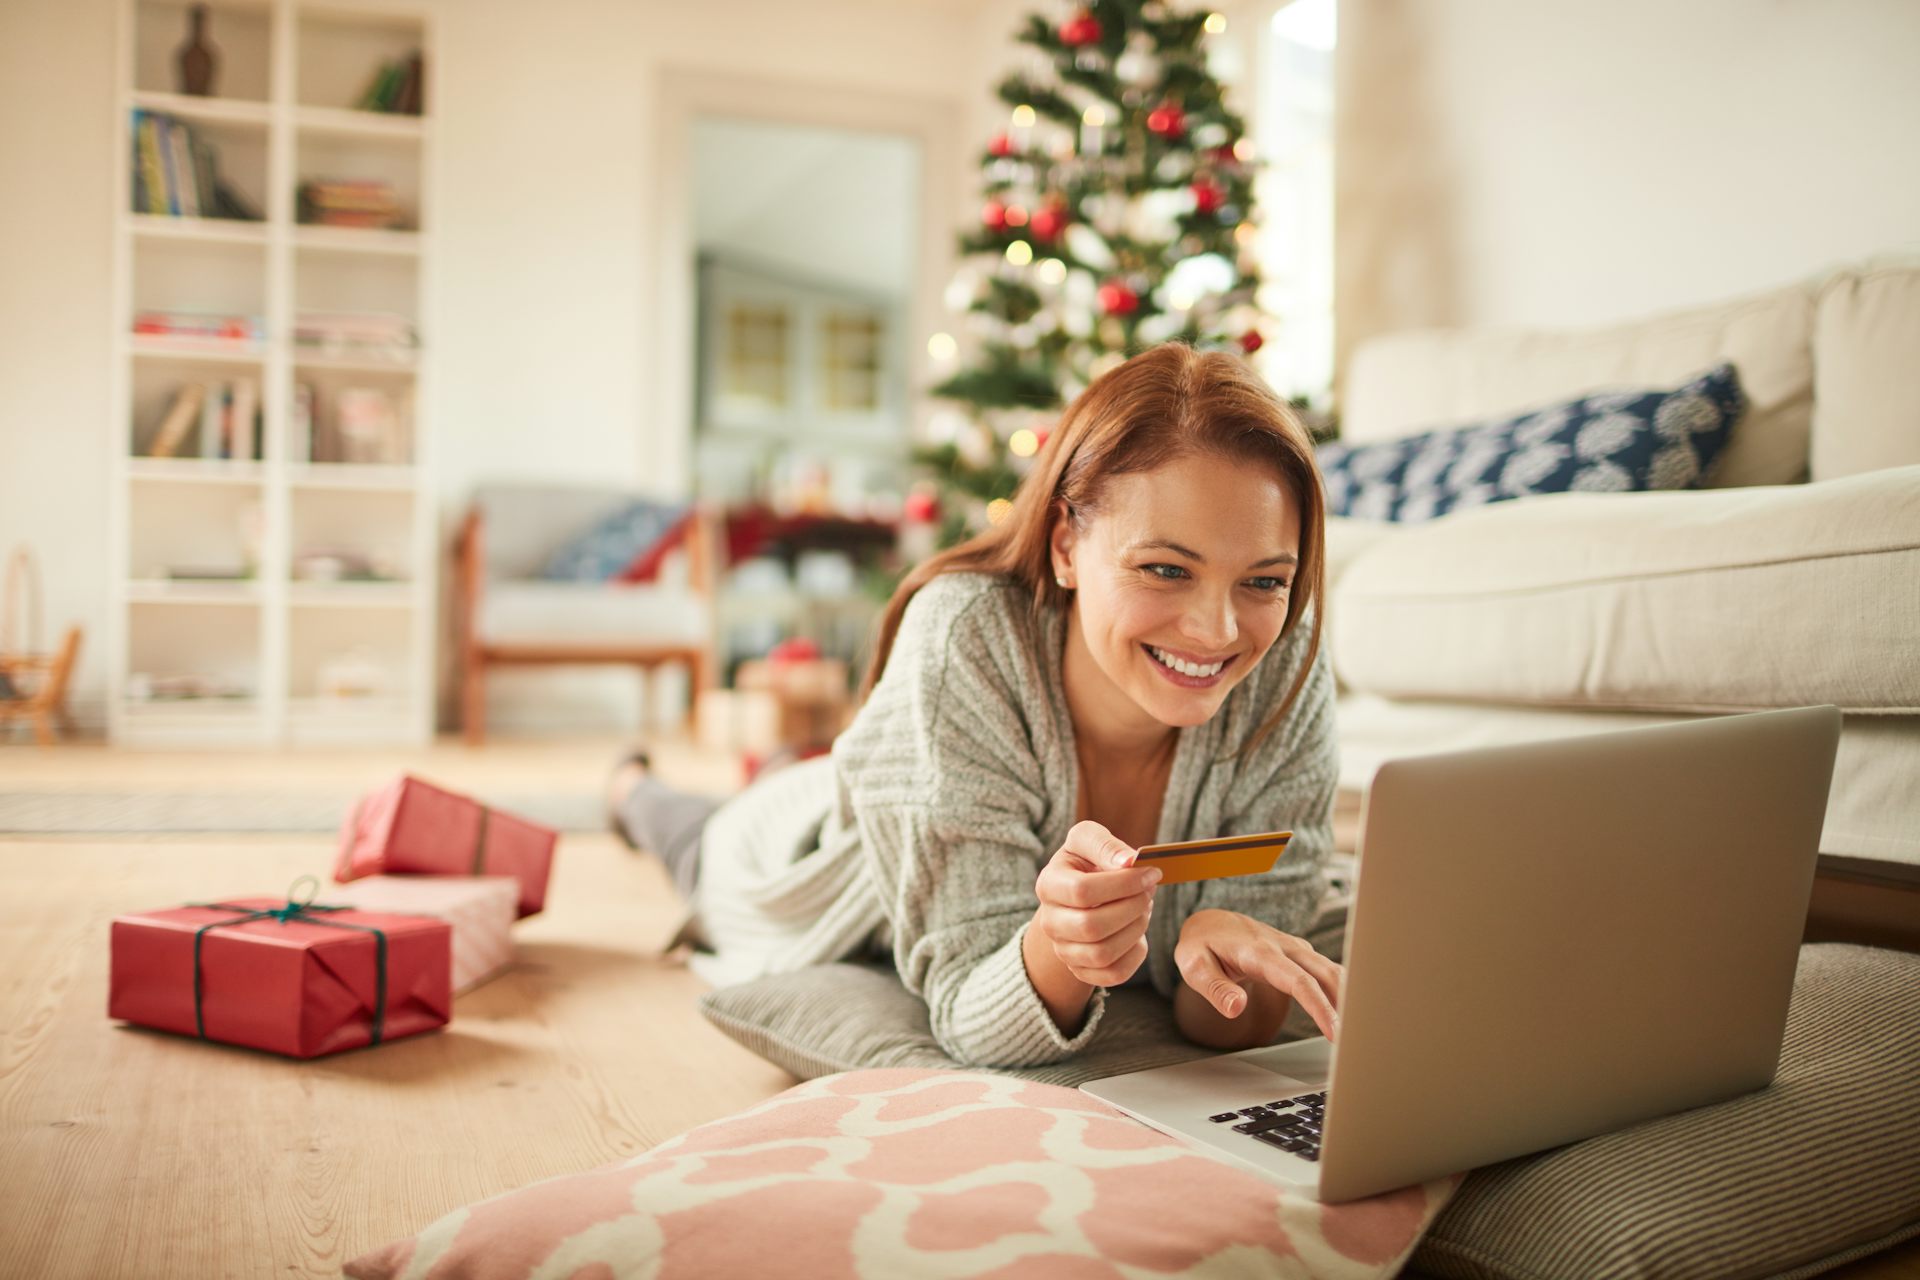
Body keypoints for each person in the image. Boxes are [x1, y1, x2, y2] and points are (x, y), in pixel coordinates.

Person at [610, 342, 1341, 1068]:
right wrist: (1062, 944)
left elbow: (1230, 1020)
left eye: (1265, 581)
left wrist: (1238, 969)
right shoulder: (966, 635)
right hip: (806, 862)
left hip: (915, 781)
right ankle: (630, 788)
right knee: (695, 836)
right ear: (1064, 546)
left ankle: (785, 768)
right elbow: (969, 1013)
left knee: (798, 774)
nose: (1218, 631)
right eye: (1164, 569)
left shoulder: (1285, 659)